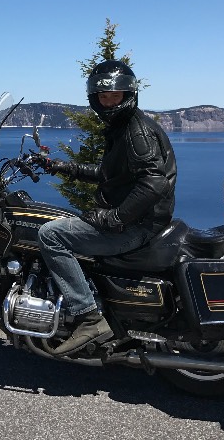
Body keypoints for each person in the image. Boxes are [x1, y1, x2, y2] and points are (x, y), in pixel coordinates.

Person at [34, 59, 177, 356]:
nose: (109, 102)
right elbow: (111, 174)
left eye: (115, 96)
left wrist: (115, 217)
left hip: (138, 226)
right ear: (95, 99)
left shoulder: (137, 132)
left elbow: (154, 183)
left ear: (128, 95)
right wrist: (60, 166)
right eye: (103, 96)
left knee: (50, 234)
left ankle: (88, 317)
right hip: (141, 221)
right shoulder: (124, 126)